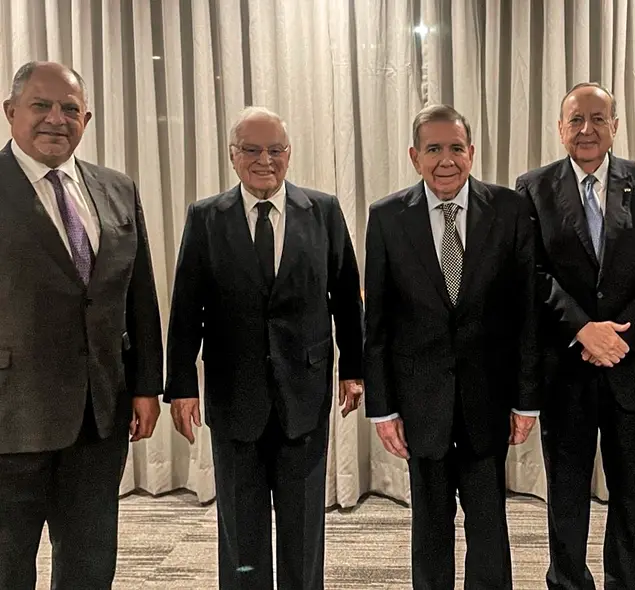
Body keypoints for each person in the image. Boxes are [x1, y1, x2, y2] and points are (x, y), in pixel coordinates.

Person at [164, 106, 364, 590]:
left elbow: (346, 295)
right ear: (233, 156)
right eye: (251, 150)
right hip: (235, 395)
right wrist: (181, 386)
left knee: (302, 525)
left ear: (289, 154)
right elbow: (187, 307)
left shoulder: (324, 211)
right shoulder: (206, 217)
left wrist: (354, 368)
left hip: (305, 390)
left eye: (275, 150)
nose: (264, 160)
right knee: (241, 525)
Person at [364, 104, 541, 590]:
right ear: (414, 155)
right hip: (421, 404)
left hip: (489, 401)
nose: (446, 160)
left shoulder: (509, 210)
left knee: (489, 528)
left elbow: (526, 312)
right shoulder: (386, 217)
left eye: (456, 148)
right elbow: (376, 321)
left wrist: (527, 399)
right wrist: (382, 409)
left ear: (472, 152)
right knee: (430, 528)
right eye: (434, 149)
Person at [0, 61, 163, 589]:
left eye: (70, 108)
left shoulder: (116, 189)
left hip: (101, 416)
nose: (56, 118)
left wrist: (145, 386)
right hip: (10, 414)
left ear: (86, 119)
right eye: (41, 106)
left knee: (91, 563)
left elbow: (139, 296)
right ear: (10, 113)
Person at [515, 82, 635, 590]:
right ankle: (567, 581)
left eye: (597, 118)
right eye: (575, 120)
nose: (587, 129)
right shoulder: (533, 187)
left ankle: (629, 582)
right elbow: (531, 271)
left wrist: (618, 332)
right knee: (565, 489)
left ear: (615, 125)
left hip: (632, 360)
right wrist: (583, 328)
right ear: (560, 129)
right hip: (565, 365)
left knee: (629, 488)